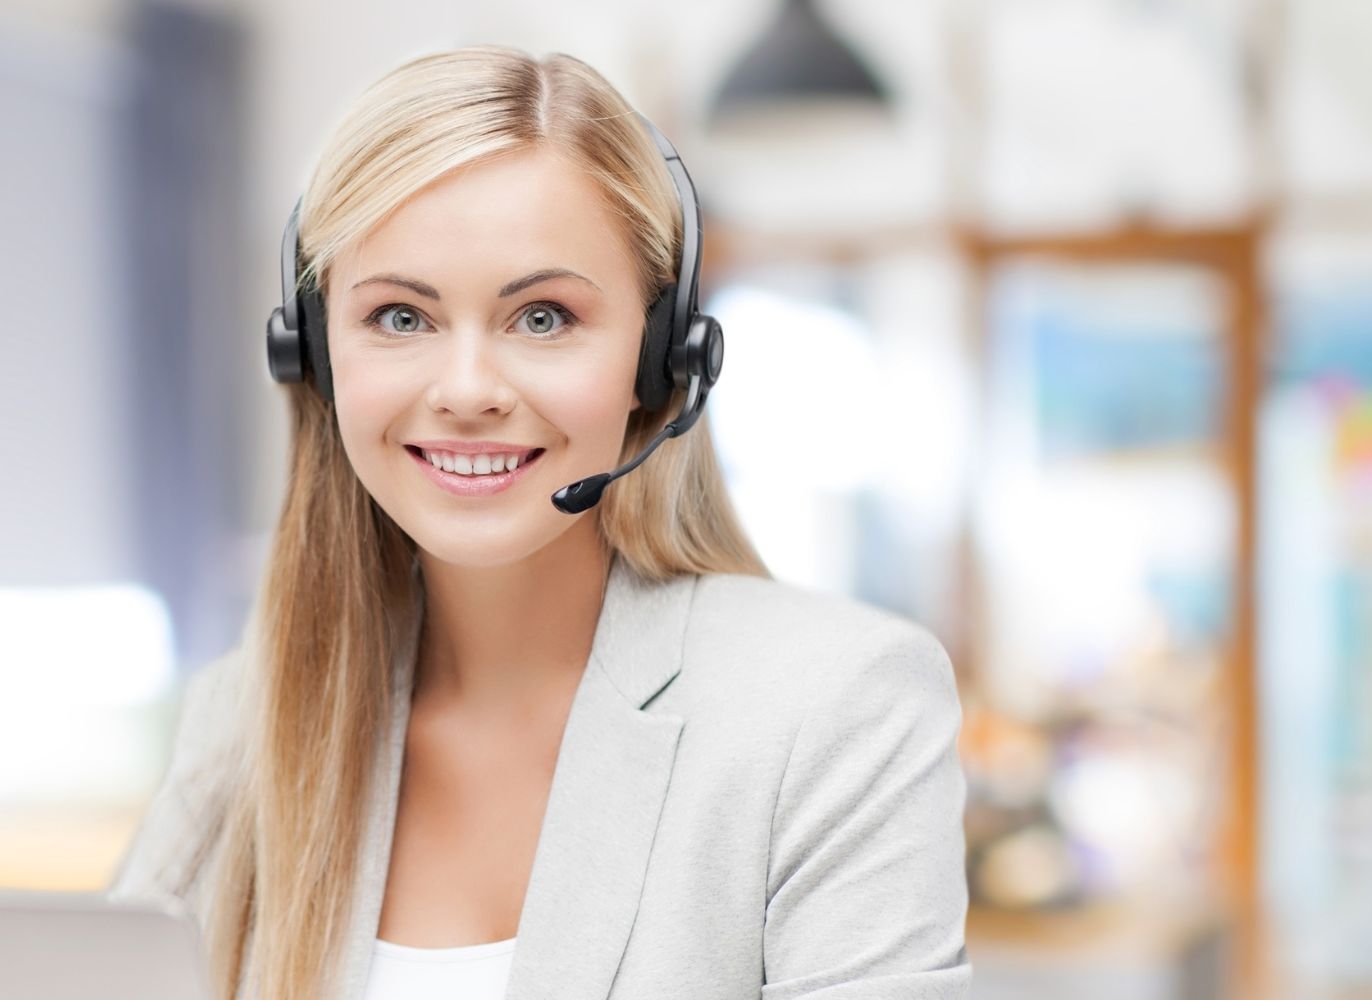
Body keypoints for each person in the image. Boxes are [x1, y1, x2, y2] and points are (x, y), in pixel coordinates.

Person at [104, 44, 972, 1000]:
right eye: (400, 318)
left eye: (544, 317)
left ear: (662, 362)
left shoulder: (837, 709)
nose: (468, 390)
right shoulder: (248, 721)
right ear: (311, 354)